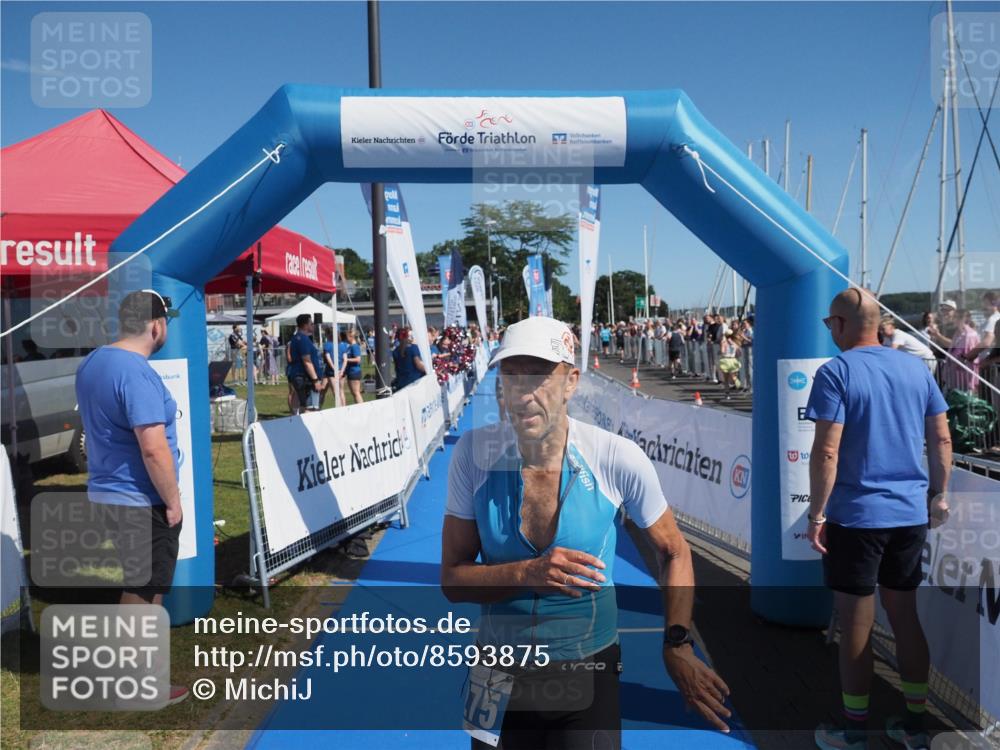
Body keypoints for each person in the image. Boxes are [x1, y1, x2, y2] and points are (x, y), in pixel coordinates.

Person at [441, 316, 731, 750]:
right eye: (512, 374)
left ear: (571, 381)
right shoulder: (474, 454)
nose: (523, 393)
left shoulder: (614, 456)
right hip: (495, 669)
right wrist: (529, 574)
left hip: (587, 668)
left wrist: (677, 642)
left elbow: (674, 551)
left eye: (539, 375)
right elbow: (452, 579)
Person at [806, 288, 952, 750]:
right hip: (909, 513)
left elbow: (827, 450)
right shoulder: (915, 368)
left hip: (856, 517)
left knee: (856, 624)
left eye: (830, 324)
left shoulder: (836, 372)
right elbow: (942, 441)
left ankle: (854, 731)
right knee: (904, 617)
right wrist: (940, 494)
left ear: (844, 325)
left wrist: (816, 512)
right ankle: (914, 724)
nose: (830, 332)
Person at [75, 289, 188, 706]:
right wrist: (173, 501)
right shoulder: (136, 372)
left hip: (108, 491)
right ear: (156, 326)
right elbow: (153, 447)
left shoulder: (93, 362)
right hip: (140, 497)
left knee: (141, 585)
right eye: (166, 324)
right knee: (142, 591)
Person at [286, 313, 322, 414]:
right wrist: (315, 380)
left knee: (303, 404)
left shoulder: (296, 338)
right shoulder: (303, 339)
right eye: (311, 323)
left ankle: (296, 421)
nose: (313, 325)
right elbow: (307, 361)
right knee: (310, 408)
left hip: (300, 376)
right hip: (305, 377)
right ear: (305, 325)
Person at [718, 332, 742, 399]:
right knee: (732, 376)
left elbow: (722, 352)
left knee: (726, 379)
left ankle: (727, 393)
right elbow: (739, 352)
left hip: (726, 360)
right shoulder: (734, 343)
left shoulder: (724, 343)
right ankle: (734, 382)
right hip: (732, 360)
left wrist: (722, 346)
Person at [343, 329, 364, 404]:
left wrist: (346, 359)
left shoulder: (354, 346)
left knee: (356, 393)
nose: (346, 338)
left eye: (347, 336)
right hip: (351, 371)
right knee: (354, 393)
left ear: (351, 337)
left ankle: (362, 409)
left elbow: (358, 359)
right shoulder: (350, 346)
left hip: (354, 371)